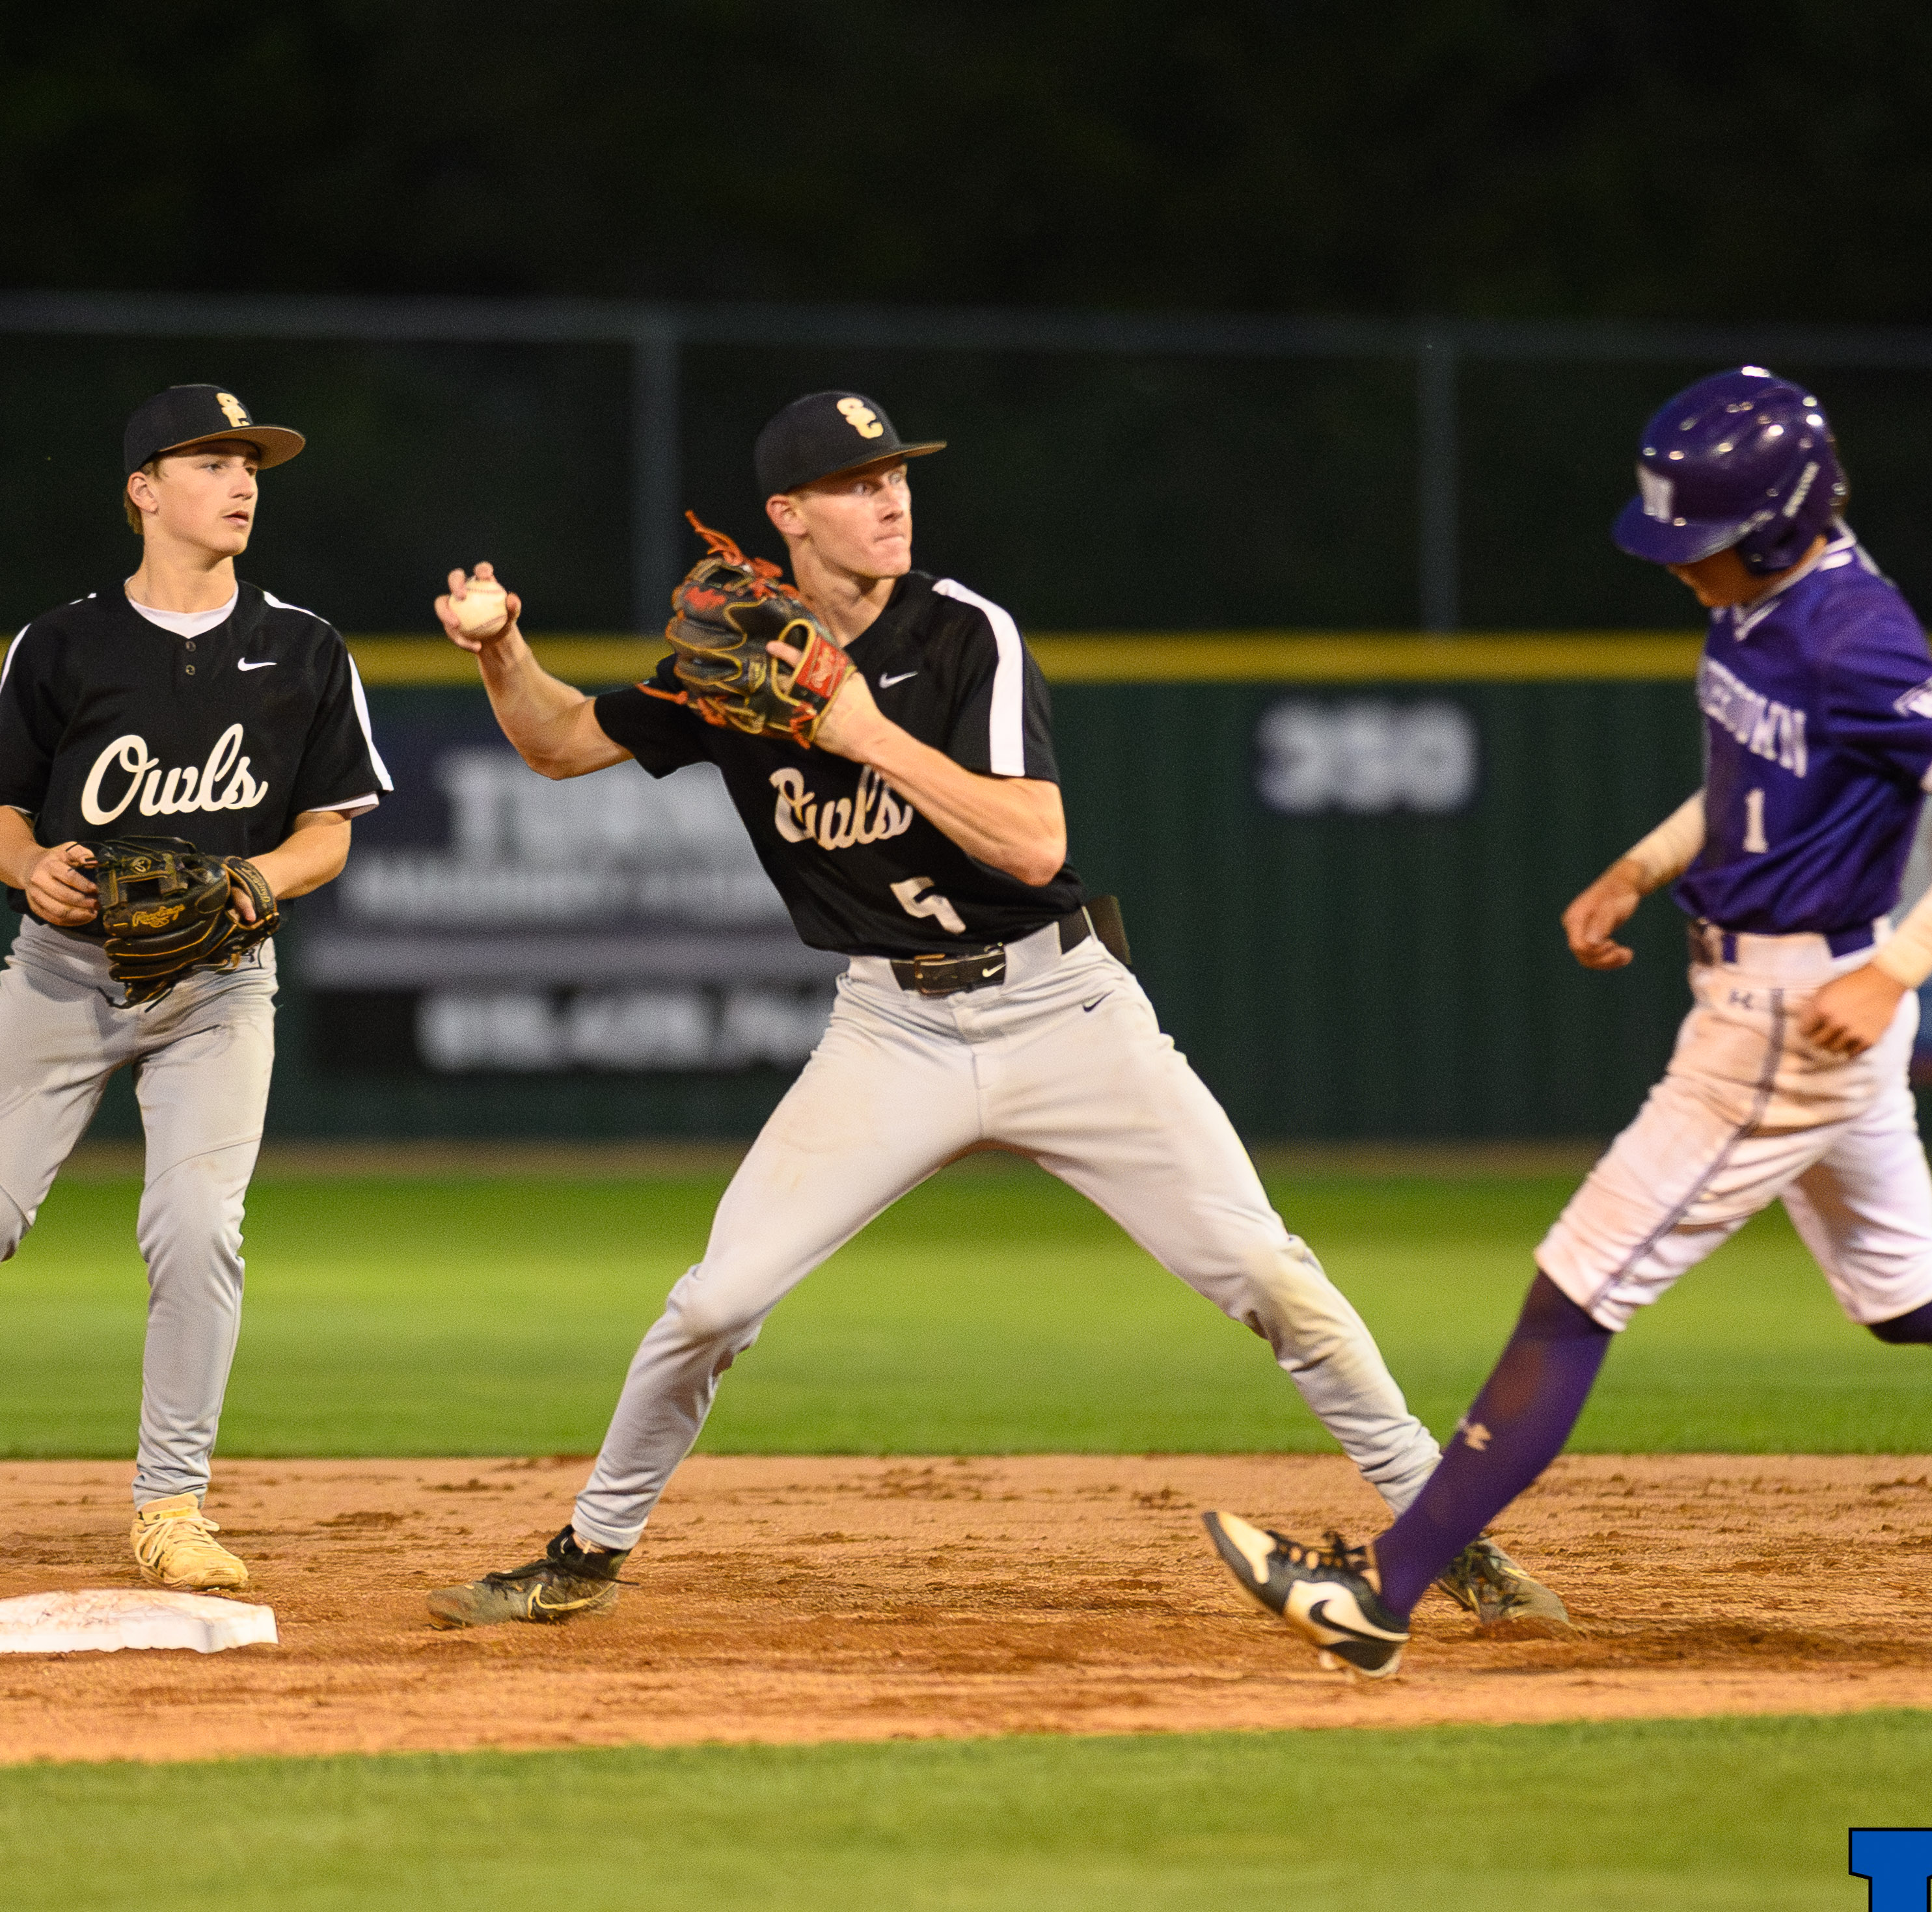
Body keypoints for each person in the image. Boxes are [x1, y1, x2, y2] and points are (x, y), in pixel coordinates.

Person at [1203, 367, 1932, 1680]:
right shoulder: (1760, 606)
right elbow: (1756, 783)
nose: (1675, 562)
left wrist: (1896, 970)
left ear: (1774, 529)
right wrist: (1642, 866)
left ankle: (1381, 1594)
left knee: (1571, 1298)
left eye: (1697, 539)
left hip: (1786, 1022)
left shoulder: (1847, 634)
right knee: (1914, 1294)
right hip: (1787, 994)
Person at [421, 390, 1552, 1630]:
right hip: (888, 1028)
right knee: (714, 1305)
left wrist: (858, 729)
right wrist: (499, 647)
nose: (891, 498)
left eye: (897, 475)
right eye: (857, 483)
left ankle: (1449, 1533)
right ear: (787, 515)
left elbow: (1031, 842)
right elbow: (560, 743)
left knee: (1265, 1272)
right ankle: (585, 1554)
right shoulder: (739, 658)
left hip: (1061, 1006)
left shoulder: (964, 634)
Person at [0, 384, 391, 1594]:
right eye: (210, 459)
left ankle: (172, 1505)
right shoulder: (64, 643)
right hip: (62, 977)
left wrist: (256, 882)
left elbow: (329, 829)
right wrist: (31, 867)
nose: (241, 480)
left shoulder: (305, 647)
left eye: (250, 462)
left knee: (197, 1229)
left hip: (220, 984)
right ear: (143, 490)